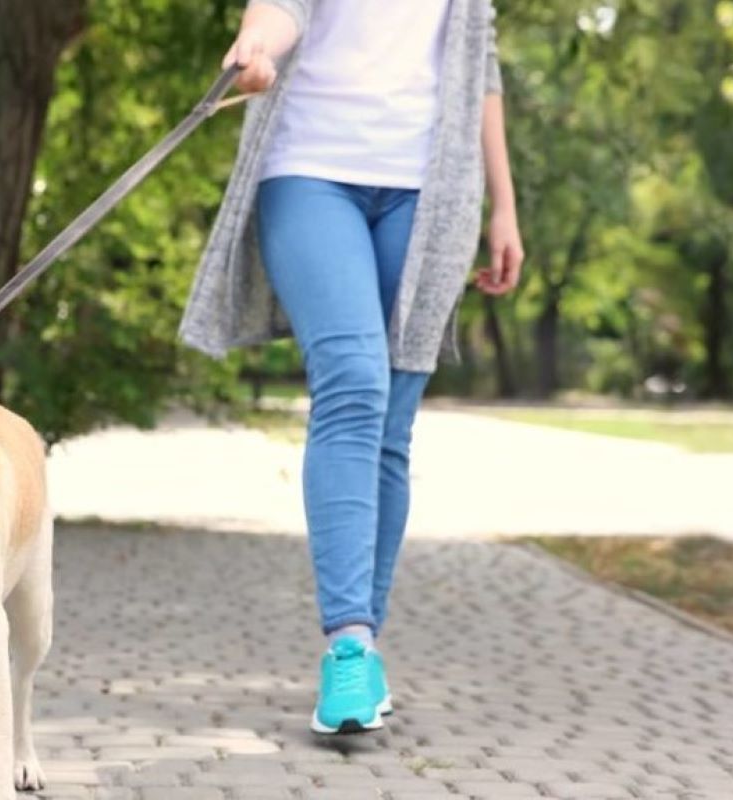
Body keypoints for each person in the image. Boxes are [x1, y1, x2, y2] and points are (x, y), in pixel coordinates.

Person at [180, 0, 525, 734]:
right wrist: (256, 46)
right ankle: (348, 645)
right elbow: (279, 8)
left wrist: (505, 207)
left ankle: (364, 648)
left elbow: (479, 62)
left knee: (392, 428)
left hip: (433, 193)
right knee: (353, 384)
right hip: (309, 172)